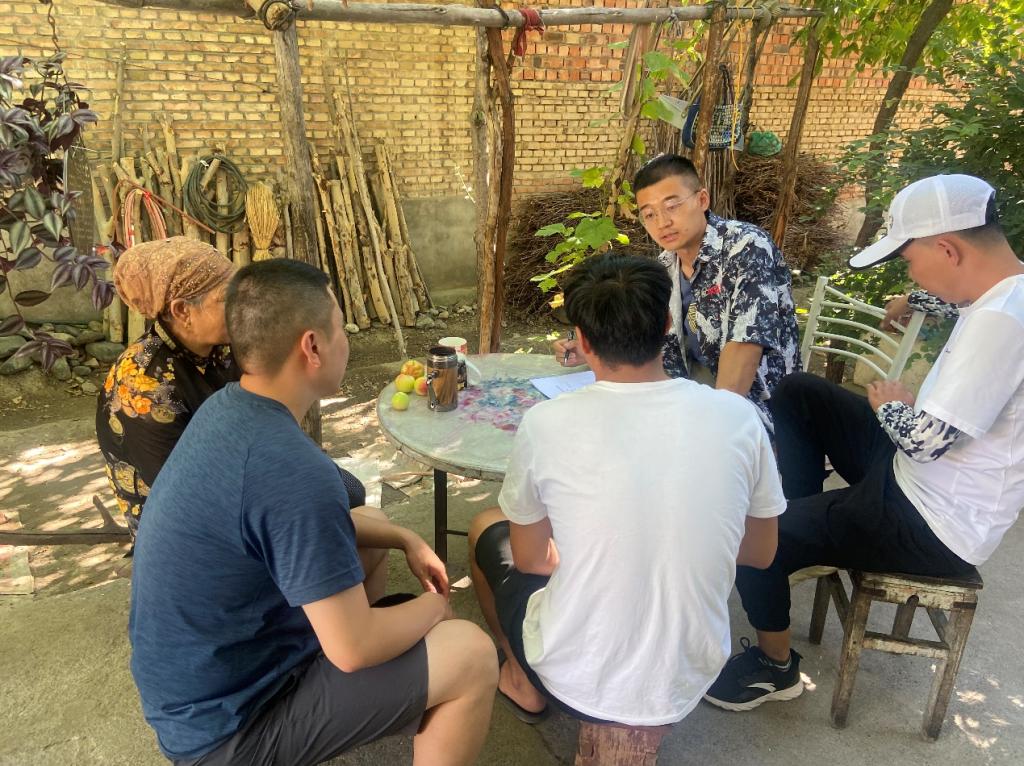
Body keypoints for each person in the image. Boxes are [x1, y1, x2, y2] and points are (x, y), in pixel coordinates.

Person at [129, 259, 497, 765]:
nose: (346, 341)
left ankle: (352, 685)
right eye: (340, 328)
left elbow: (295, 525)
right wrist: (436, 606)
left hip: (195, 693)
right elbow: (354, 648)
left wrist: (405, 539)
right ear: (313, 346)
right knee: (470, 653)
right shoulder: (292, 469)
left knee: (374, 529)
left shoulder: (227, 407)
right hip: (229, 733)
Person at [705, 174, 1024, 711]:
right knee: (800, 391)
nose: (909, 271)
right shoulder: (1005, 291)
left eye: (909, 260)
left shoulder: (1002, 323)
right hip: (915, 480)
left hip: (930, 522)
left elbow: (925, 442)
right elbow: (963, 306)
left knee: (748, 535)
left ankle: (774, 668)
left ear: (948, 249)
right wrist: (915, 298)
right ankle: (798, 527)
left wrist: (889, 405)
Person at [470, 252, 784, 726]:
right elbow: (760, 552)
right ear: (667, 324)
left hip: (572, 676)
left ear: (582, 340)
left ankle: (519, 679)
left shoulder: (545, 423)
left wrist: (601, 552)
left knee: (484, 528)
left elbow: (532, 560)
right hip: (690, 674)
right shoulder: (739, 417)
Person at [95, 237, 366, 538]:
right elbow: (186, 494)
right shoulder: (142, 387)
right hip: (191, 524)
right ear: (183, 311)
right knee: (334, 508)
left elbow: (266, 416)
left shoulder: (222, 346)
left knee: (348, 491)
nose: (241, 306)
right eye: (227, 299)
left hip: (242, 470)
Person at [554, 154, 799, 429]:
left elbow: (744, 346)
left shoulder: (746, 247)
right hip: (687, 403)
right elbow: (654, 343)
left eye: (672, 206)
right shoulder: (666, 265)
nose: (662, 222)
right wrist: (596, 347)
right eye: (649, 214)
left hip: (756, 413)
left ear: (702, 200)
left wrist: (711, 429)